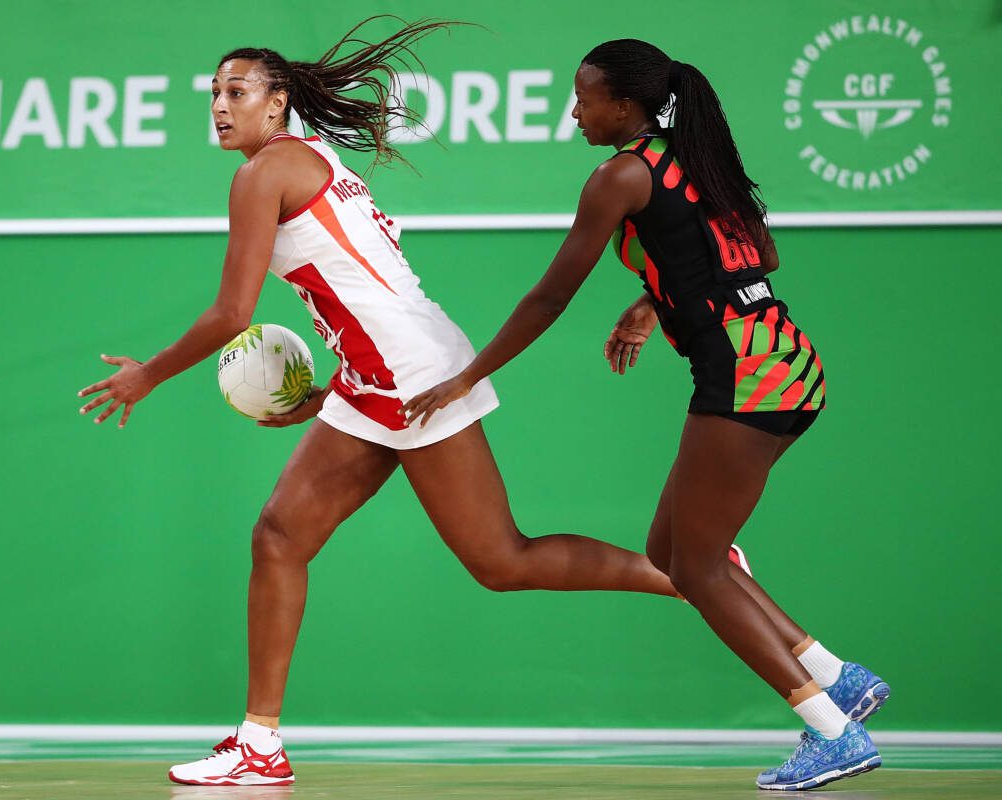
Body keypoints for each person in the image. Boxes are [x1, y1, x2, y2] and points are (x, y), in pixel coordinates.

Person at [77, 21, 747, 788]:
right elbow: (368, 293)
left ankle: (690, 572)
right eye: (214, 94)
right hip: (382, 370)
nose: (221, 107)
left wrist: (147, 375)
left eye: (237, 92)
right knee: (279, 536)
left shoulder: (265, 172)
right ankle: (259, 741)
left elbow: (233, 313)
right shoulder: (307, 160)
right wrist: (336, 391)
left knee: (501, 560)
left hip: (405, 371)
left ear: (278, 102)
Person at [403, 39, 890, 792]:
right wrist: (648, 303)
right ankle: (837, 675)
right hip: (790, 364)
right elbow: (758, 253)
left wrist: (468, 376)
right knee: (673, 553)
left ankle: (832, 731)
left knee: (696, 566)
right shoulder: (693, 155)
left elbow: (549, 297)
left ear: (623, 107)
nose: (574, 111)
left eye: (584, 97)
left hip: (745, 379)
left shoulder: (619, 176)